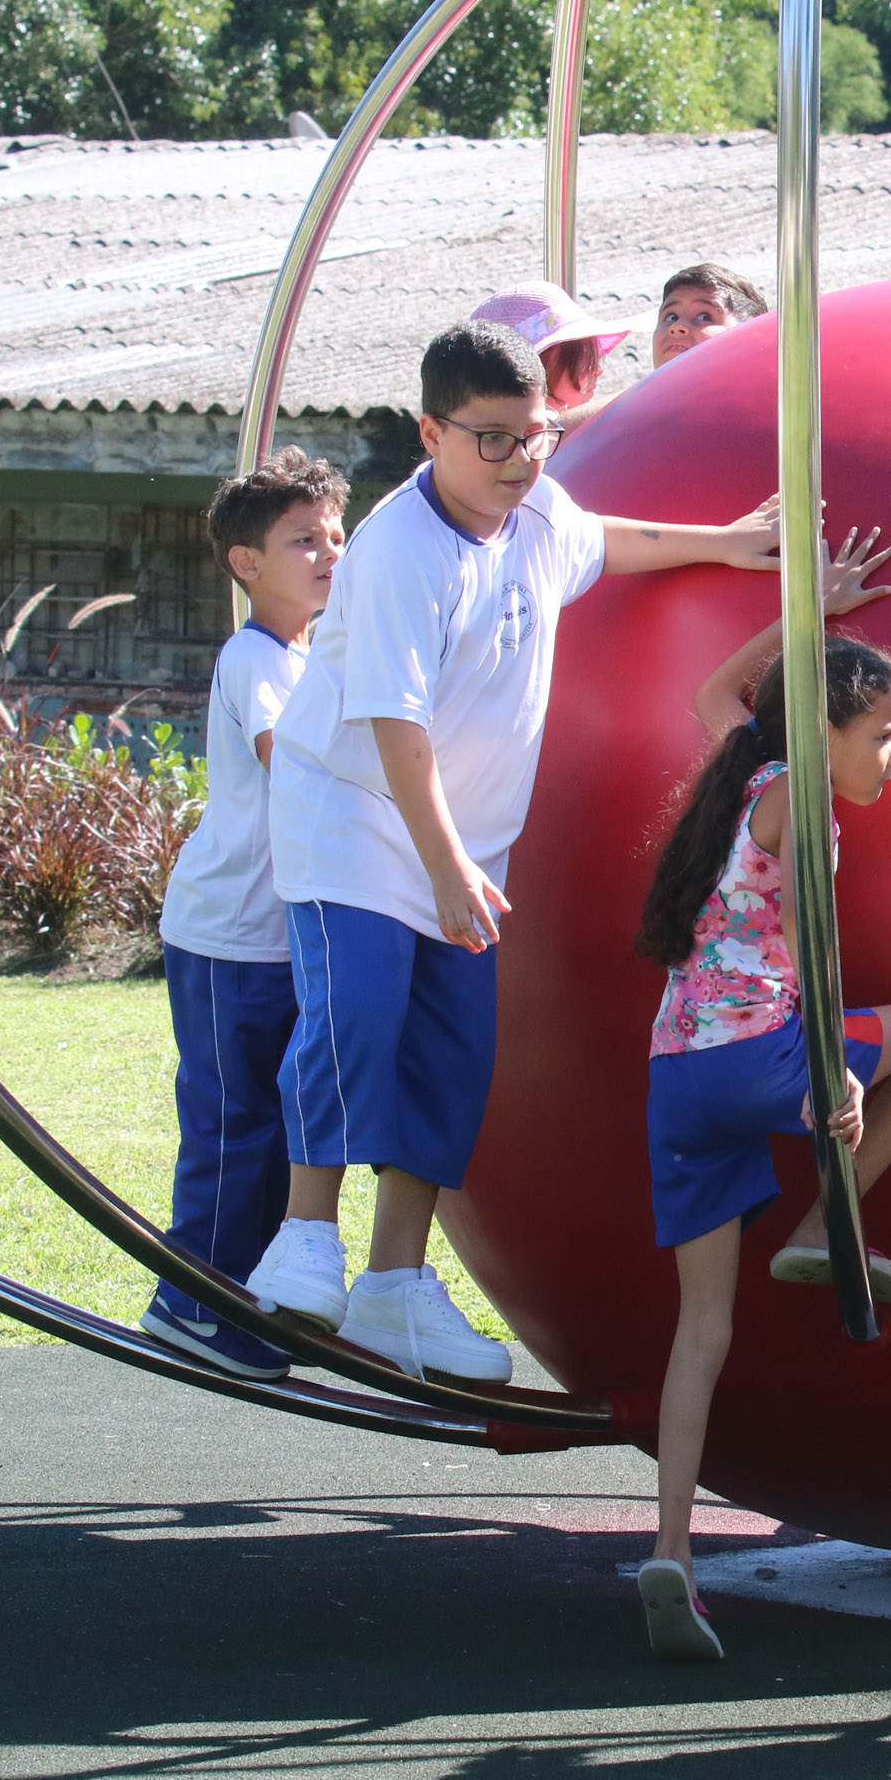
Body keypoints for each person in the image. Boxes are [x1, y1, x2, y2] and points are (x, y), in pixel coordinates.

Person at [242, 319, 779, 1381]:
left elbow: (604, 538)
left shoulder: (537, 505)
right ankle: (306, 1234)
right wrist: (440, 864)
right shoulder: (400, 549)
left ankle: (394, 1284)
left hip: (468, 838)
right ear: (432, 433)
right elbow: (394, 723)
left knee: (453, 1054)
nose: (520, 458)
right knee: (356, 1015)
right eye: (491, 439)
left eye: (535, 434)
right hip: (357, 817)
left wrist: (724, 540)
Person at [630, 548, 891, 1664]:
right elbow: (817, 958)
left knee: (700, 1330)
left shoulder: (746, 767)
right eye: (880, 732)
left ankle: (673, 1549)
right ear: (826, 731)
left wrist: (807, 616)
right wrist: (832, 1075)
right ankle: (825, 1224)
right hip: (761, 1052)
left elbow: (715, 696)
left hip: (679, 1072)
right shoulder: (799, 804)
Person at [138, 448, 348, 1379]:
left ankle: (247, 1298)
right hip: (229, 935)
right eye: (304, 540)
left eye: (337, 535)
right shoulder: (255, 657)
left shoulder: (311, 654)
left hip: (284, 935)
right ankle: (190, 1300)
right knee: (234, 1122)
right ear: (247, 563)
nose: (330, 554)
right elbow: (288, 758)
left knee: (279, 1121)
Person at [470, 281, 641, 444]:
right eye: (581, 356)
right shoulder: (535, 433)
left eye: (595, 356)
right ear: (538, 367)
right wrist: (643, 392)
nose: (597, 370)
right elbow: (553, 430)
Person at [647, 264, 767, 369]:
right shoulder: (632, 395)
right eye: (671, 317)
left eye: (704, 317)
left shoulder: (777, 394)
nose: (676, 326)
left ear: (749, 339)